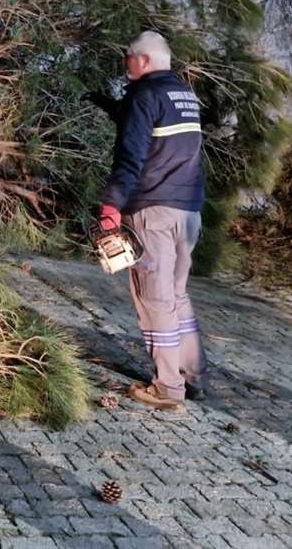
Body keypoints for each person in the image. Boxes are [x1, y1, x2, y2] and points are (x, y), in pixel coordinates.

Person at [93, 30, 208, 411]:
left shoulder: (144, 95)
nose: (126, 64)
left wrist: (112, 205)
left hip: (152, 212)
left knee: (154, 299)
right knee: (177, 295)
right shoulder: (183, 96)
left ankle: (168, 389)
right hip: (187, 211)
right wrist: (112, 108)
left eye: (128, 58)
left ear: (143, 60)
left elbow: (132, 155)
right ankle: (192, 375)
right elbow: (159, 137)